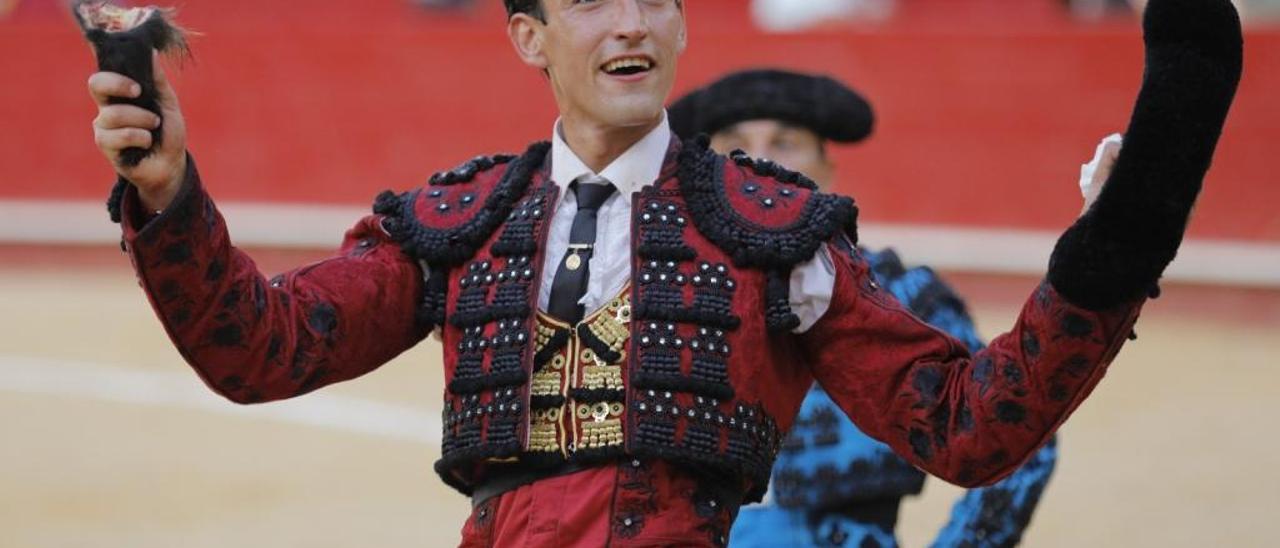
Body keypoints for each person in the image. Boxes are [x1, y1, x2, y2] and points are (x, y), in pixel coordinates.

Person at [84, 0, 1241, 545]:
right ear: (530, 37)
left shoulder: (772, 230)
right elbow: (261, 346)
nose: (628, 21)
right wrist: (165, 194)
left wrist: (1119, 239)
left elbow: (967, 424)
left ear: (683, 29)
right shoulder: (461, 221)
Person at [668, 68, 1059, 547]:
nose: (759, 159)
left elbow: (1016, 431)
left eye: (786, 141)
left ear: (826, 170)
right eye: (735, 142)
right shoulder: (666, 287)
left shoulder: (900, 293)